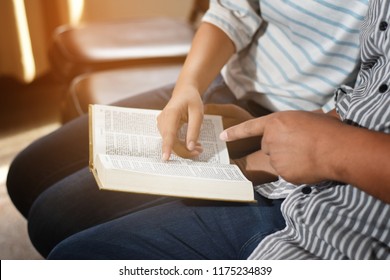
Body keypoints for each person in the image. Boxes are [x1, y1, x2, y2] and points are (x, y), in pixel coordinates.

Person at [6, 1, 369, 258]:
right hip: (222, 84)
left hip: (296, 126)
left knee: (55, 219)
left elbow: (370, 100)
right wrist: (188, 87)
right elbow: (232, 10)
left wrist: (270, 136)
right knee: (27, 172)